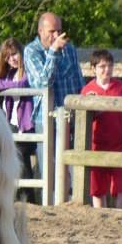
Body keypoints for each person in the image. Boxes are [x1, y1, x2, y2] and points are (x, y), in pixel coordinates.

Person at [23, 12, 84, 177]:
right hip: (46, 119)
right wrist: (54, 51)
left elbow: (78, 82)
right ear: (40, 31)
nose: (57, 35)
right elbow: (44, 82)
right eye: (52, 31)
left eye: (59, 30)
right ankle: (49, 203)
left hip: (71, 118)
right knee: (50, 172)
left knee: (74, 171)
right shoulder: (31, 51)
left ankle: (72, 202)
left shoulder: (70, 49)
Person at [0, 37, 36, 200]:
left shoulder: (28, 72)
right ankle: (17, 197)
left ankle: (29, 199)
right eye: (8, 57)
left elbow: (19, 86)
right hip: (12, 123)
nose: (12, 59)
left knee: (23, 162)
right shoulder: (9, 74)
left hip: (26, 124)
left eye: (15, 54)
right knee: (13, 162)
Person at [80, 50, 122, 209]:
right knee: (97, 190)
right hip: (96, 146)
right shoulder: (87, 91)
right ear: (93, 68)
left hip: (119, 145)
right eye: (102, 66)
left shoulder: (121, 88)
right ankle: (100, 221)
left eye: (110, 65)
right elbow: (82, 122)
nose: (106, 70)